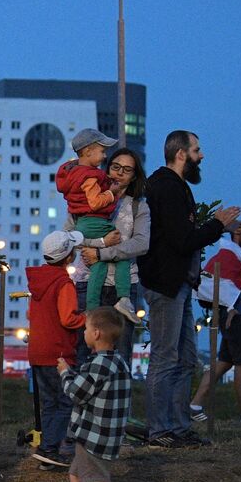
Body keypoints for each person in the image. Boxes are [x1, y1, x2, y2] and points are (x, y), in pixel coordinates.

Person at [137, 130, 241, 448]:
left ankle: (179, 427)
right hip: (165, 284)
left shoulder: (175, 186)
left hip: (178, 284)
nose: (201, 155)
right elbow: (182, 240)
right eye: (197, 150)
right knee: (166, 357)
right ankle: (160, 430)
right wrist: (216, 225)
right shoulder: (167, 187)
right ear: (181, 153)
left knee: (185, 359)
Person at [48, 307, 130, 482]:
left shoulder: (99, 364)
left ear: (96, 333)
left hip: (93, 435)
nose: (83, 333)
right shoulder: (117, 362)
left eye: (85, 329)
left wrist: (64, 373)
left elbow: (76, 393)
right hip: (106, 435)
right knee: (76, 476)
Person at [68, 147, 148, 367]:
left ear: (134, 176)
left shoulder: (138, 206)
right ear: (107, 168)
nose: (119, 173)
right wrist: (100, 243)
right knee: (83, 351)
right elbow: (69, 237)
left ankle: (116, 391)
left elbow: (141, 243)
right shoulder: (86, 199)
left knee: (119, 354)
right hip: (86, 283)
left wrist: (101, 254)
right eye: (115, 167)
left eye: (127, 170)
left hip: (123, 288)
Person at [56, 129, 138, 322]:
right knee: (122, 256)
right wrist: (110, 193)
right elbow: (94, 204)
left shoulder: (75, 176)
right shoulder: (90, 177)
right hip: (94, 223)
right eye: (102, 152)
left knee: (98, 265)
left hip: (85, 226)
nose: (104, 156)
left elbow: (142, 243)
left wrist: (98, 251)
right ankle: (124, 298)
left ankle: (91, 308)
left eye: (127, 170)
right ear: (88, 151)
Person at [190, 220, 241, 424]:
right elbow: (221, 287)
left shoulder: (240, 257)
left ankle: (195, 405)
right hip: (235, 316)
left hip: (234, 313)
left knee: (224, 362)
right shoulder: (228, 256)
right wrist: (230, 308)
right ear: (237, 234)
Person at [26, 230, 88, 470]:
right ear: (69, 256)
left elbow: (32, 313)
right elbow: (68, 319)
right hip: (59, 352)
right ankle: (50, 449)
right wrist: (87, 318)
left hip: (37, 352)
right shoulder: (64, 283)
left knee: (49, 402)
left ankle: (46, 452)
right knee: (64, 402)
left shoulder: (38, 282)